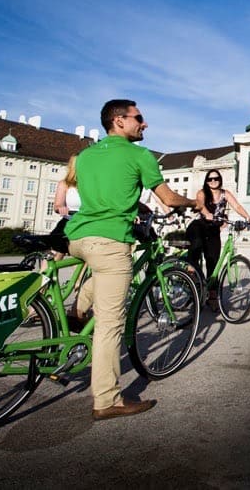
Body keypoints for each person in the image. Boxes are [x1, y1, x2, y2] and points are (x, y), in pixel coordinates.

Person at [65, 99, 195, 420]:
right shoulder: (140, 155)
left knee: (103, 276)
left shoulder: (85, 155)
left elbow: (106, 194)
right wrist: (193, 200)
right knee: (110, 325)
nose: (145, 123)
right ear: (119, 121)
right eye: (139, 118)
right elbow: (168, 197)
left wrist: (137, 207)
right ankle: (108, 400)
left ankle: (79, 309)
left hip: (77, 237)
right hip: (110, 241)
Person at [186, 170, 250, 289]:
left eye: (216, 178)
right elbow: (200, 204)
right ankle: (191, 271)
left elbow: (236, 206)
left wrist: (248, 218)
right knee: (197, 244)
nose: (213, 181)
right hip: (200, 225)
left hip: (213, 229)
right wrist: (207, 214)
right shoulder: (202, 192)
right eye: (210, 179)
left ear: (220, 179)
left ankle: (212, 297)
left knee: (213, 262)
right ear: (206, 181)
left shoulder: (225, 193)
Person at [49, 153, 81, 259]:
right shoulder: (65, 184)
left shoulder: (92, 185)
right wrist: (61, 208)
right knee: (57, 252)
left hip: (86, 222)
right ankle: (44, 274)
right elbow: (58, 204)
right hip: (70, 220)